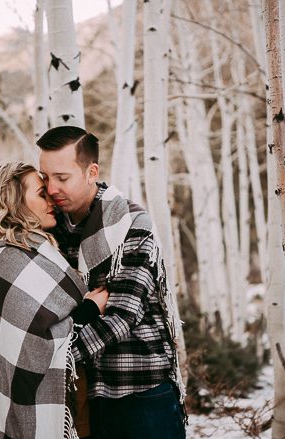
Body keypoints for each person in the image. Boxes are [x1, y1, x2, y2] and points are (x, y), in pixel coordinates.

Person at [38, 126, 187, 439]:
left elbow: (121, 317)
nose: (51, 188)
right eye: (45, 178)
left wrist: (52, 360)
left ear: (91, 172)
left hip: (142, 393)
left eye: (62, 178)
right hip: (85, 395)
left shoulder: (131, 224)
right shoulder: (51, 230)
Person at [0, 162, 109, 439]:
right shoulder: (7, 261)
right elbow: (31, 347)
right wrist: (89, 310)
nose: (51, 198)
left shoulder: (35, 251)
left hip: (67, 401)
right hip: (36, 409)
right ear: (13, 200)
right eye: (41, 193)